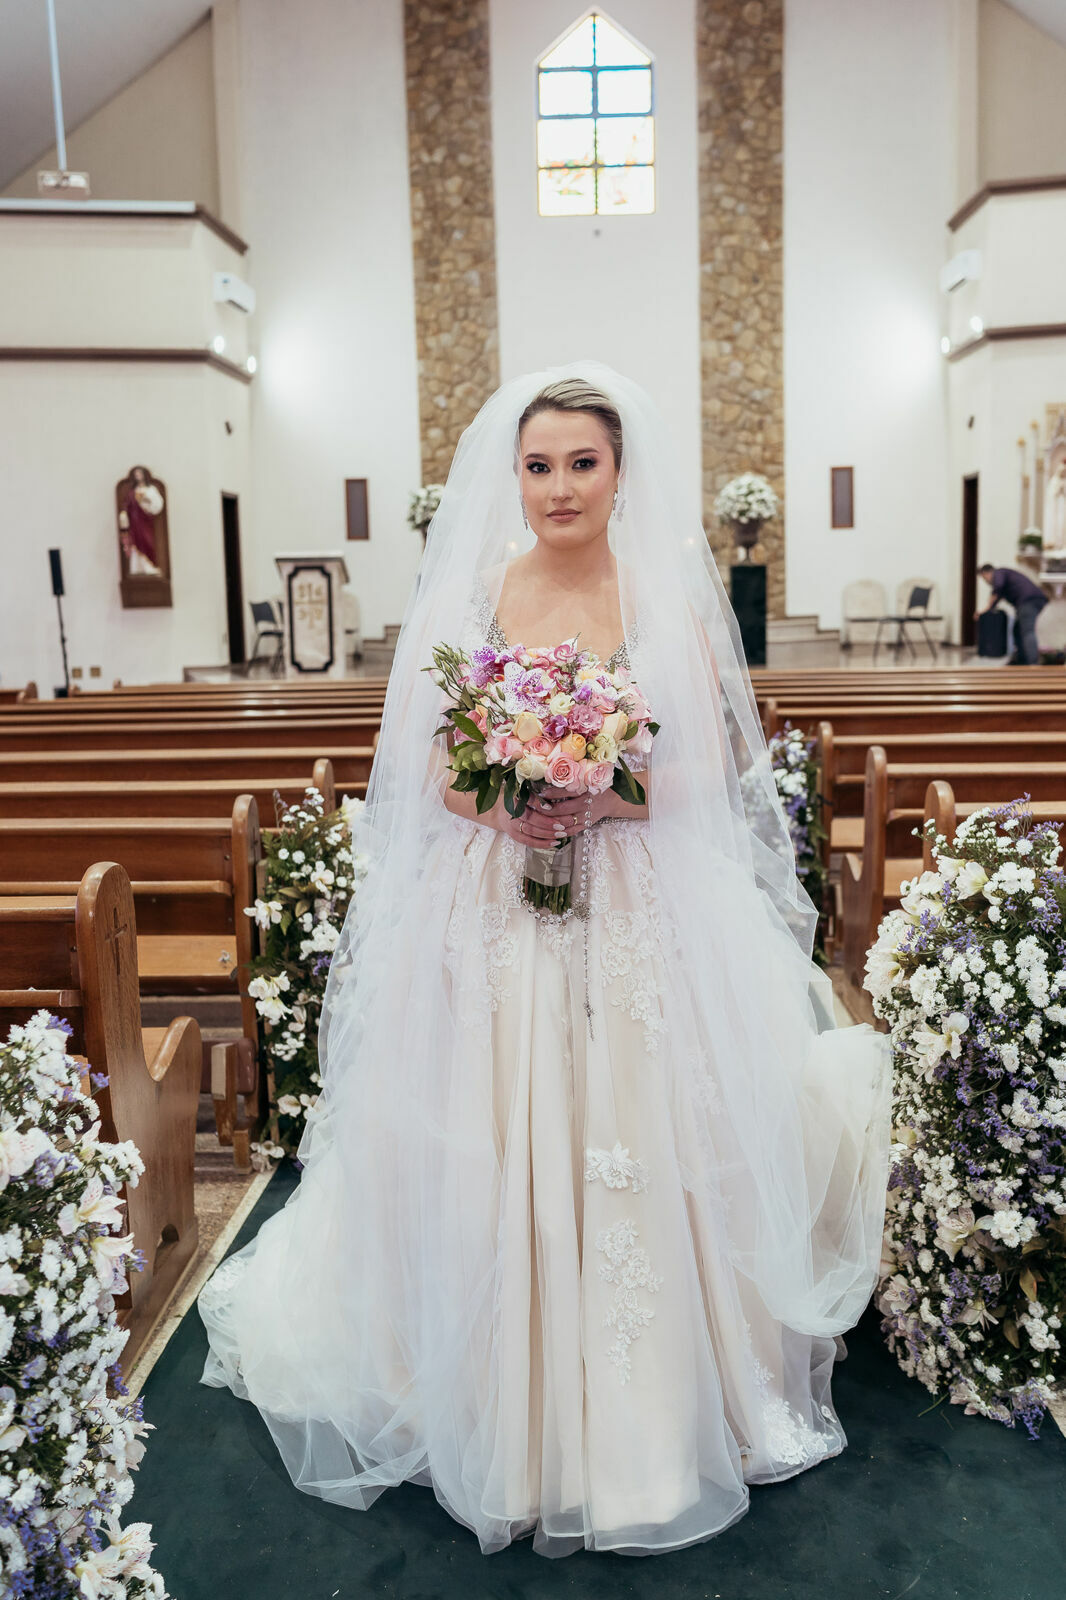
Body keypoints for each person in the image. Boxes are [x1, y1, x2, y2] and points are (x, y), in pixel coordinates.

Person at [196, 362, 891, 1558]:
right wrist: (503, 802)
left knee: (637, 1113)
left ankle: (646, 1416)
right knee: (491, 1116)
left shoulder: (663, 596)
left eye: (582, 462)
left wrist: (601, 793)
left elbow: (711, 770)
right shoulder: (478, 592)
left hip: (637, 897)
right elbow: (428, 763)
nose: (560, 486)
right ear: (510, 477)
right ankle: (493, 1401)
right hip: (494, 899)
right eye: (538, 464)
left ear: (620, 472)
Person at [976, 562, 1048, 665]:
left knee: (1027, 631)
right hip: (1031, 600)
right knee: (1018, 630)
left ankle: (1033, 664)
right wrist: (988, 609)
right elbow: (997, 597)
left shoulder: (999, 573)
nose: (986, 581)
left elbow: (998, 588)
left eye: (984, 578)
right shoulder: (1003, 574)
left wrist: (985, 609)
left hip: (1029, 601)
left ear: (987, 573)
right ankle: (1022, 660)